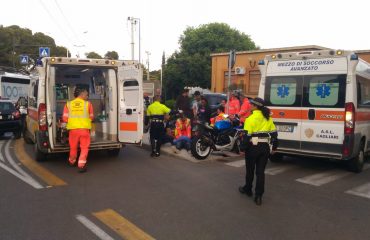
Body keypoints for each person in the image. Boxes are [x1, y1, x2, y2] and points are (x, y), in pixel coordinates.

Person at [239, 97, 278, 205]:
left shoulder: (250, 119)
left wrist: (242, 148)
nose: (250, 105)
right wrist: (274, 147)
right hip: (264, 148)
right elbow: (275, 134)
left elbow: (247, 136)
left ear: (255, 106)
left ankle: (248, 189)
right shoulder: (268, 118)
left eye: (251, 104)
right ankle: (259, 196)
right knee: (260, 172)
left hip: (252, 147)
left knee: (250, 170)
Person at [62, 88, 94, 173]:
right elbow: (91, 117)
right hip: (84, 130)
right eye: (86, 94)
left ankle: (72, 161)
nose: (87, 96)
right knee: (84, 147)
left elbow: (65, 119)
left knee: (73, 147)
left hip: (73, 130)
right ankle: (81, 165)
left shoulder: (68, 104)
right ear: (82, 94)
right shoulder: (88, 104)